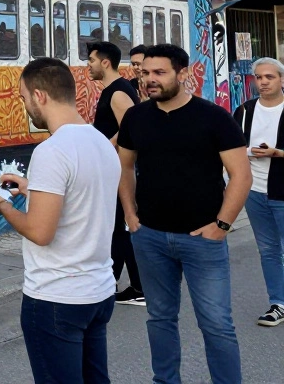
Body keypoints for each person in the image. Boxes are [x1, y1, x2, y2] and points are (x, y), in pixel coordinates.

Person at [0, 58, 120, 384]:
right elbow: (82, 198)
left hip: (57, 297)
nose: (24, 105)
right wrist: (32, 189)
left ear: (40, 96)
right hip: (98, 291)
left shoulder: (51, 150)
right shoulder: (101, 142)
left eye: (23, 97)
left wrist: (1, 205)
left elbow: (40, 233)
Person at [118, 44, 251, 384]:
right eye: (145, 73)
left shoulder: (213, 117)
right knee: (160, 319)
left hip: (202, 240)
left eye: (158, 73)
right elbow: (124, 166)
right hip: (149, 238)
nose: (149, 80)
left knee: (217, 324)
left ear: (182, 74)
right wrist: (131, 215)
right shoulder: (136, 117)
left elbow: (241, 174)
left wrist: (222, 225)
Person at [86, 41, 144, 306]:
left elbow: (130, 129)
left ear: (105, 63)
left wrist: (103, 145)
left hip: (120, 169)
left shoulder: (118, 92)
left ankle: (137, 286)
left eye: (91, 61)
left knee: (121, 227)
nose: (88, 66)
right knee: (117, 228)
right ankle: (120, 283)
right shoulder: (113, 90)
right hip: (114, 167)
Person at [232, 57, 284, 327]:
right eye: (259, 78)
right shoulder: (244, 110)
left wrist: (277, 153)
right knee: (268, 250)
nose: (262, 82)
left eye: (269, 77)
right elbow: (230, 146)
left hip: (282, 191)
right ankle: (278, 303)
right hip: (255, 191)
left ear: (281, 80)